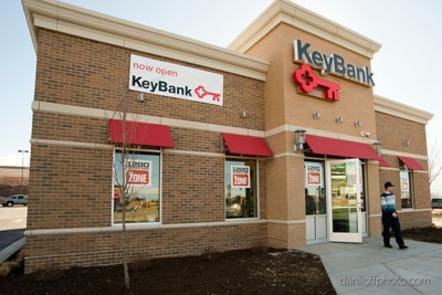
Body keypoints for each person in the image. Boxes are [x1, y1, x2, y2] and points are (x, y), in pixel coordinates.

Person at [381, 181, 408, 249]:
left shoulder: (393, 194)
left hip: (394, 214)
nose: (393, 188)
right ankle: (386, 243)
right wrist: (392, 213)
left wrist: (395, 212)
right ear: (388, 187)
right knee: (386, 230)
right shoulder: (383, 195)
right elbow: (384, 207)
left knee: (397, 229)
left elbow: (393, 206)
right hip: (386, 215)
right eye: (391, 186)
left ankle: (401, 244)